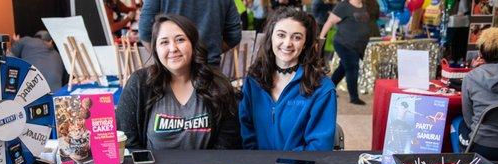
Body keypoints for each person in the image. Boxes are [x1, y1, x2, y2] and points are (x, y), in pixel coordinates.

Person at [116, 14, 241, 150]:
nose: (173, 48)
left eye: (180, 40)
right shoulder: (139, 84)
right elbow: (126, 141)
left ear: (193, 44)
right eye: (164, 42)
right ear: (156, 50)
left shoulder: (218, 85)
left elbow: (228, 147)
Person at [239, 7, 337, 151]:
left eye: (296, 37)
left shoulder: (322, 87)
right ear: (271, 37)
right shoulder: (253, 80)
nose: (287, 43)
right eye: (281, 35)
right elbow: (246, 132)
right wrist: (257, 162)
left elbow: (319, 146)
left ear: (305, 44)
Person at [454, 27, 498, 160]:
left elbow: (468, 118)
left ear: (480, 53)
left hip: (481, 147)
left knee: (457, 122)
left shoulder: (470, 78)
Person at [138, 0, 242, 65]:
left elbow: (145, 33)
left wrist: (167, 58)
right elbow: (234, 35)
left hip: (173, 73)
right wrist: (206, 52)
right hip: (208, 67)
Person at [319, 0, 371, 105]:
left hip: (358, 45)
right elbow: (330, 21)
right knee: (352, 68)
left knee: (343, 68)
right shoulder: (343, 6)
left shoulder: (363, 6)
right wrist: (321, 37)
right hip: (344, 43)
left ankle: (328, 87)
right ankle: (354, 97)